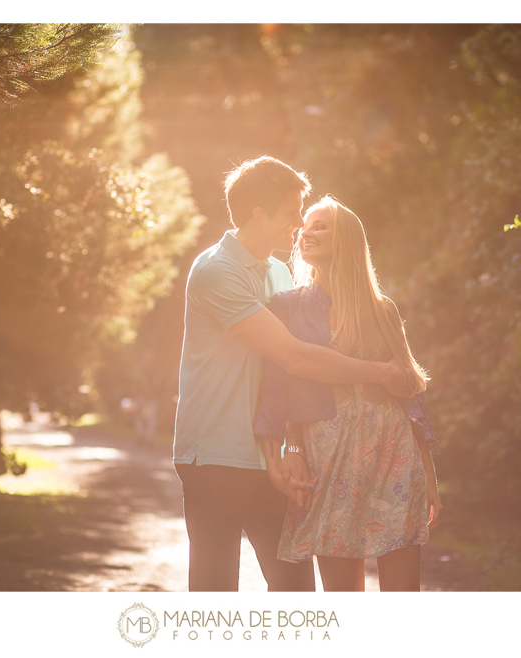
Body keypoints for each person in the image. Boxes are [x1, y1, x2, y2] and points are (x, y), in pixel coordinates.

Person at [173, 157, 412, 592]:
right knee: (214, 591)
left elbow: (291, 383)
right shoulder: (215, 271)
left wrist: (290, 446)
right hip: (215, 456)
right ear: (258, 215)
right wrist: (381, 372)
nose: (299, 223)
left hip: (271, 462)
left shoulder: (280, 272)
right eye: (291, 212)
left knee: (295, 592)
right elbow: (295, 359)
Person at [253, 194, 442, 592]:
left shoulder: (382, 309)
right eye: (305, 226)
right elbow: (275, 394)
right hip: (330, 457)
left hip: (394, 452)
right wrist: (291, 451)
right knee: (343, 597)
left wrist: (431, 479)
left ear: (349, 240)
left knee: (403, 596)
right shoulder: (287, 307)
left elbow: (412, 394)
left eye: (320, 225)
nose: (307, 232)